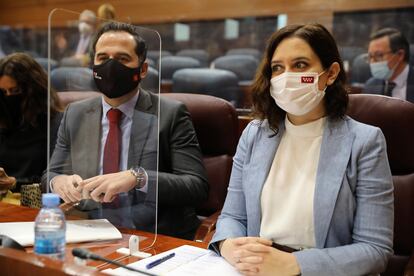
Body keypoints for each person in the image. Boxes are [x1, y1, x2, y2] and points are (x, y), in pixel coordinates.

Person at [209, 23, 394, 275]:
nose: (286, 77)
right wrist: (228, 245)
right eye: (277, 68)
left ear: (330, 74)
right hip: (255, 268)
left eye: (300, 65)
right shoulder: (254, 134)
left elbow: (375, 249)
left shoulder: (365, 142)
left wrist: (296, 264)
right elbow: (232, 216)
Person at [45, 22, 208, 240]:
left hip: (152, 235)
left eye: (122, 59)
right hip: (88, 229)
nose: (111, 66)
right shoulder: (75, 113)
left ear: (142, 70)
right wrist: (59, 183)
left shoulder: (171, 114)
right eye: (103, 58)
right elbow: (51, 174)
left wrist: (138, 178)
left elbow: (196, 186)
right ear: (92, 67)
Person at [0, 53, 62, 195]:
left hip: (36, 202)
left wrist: (14, 183)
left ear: (33, 90)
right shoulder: (5, 122)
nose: (9, 97)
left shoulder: (54, 124)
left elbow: (55, 180)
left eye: (15, 91)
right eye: (3, 92)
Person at [363, 28, 413, 103]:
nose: (372, 62)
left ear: (400, 55)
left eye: (379, 55)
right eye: (370, 57)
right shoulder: (370, 86)